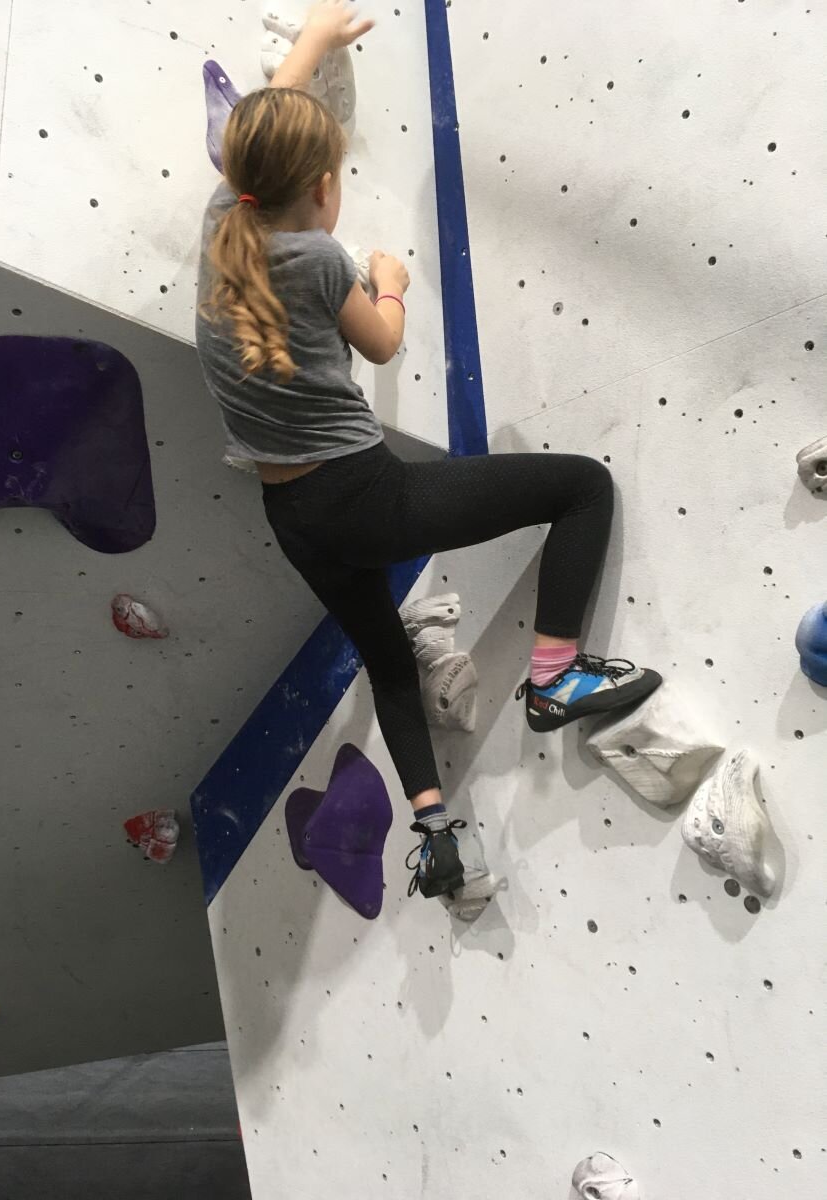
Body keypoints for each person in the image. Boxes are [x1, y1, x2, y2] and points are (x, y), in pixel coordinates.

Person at [195, 1, 661, 901]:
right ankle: (556, 677)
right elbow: (380, 343)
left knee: (386, 658)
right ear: (326, 186)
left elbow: (269, 119)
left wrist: (314, 49)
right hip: (364, 498)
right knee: (580, 488)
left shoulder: (225, 222)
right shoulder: (323, 261)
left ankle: (439, 835)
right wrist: (392, 284)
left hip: (292, 516)